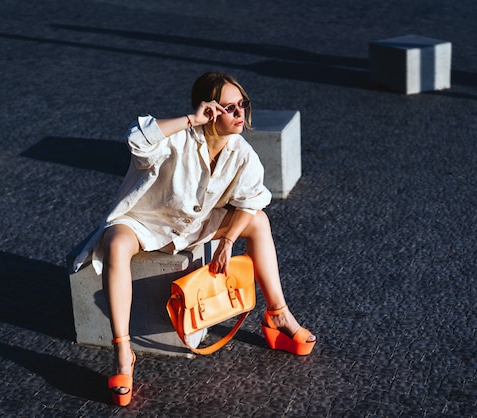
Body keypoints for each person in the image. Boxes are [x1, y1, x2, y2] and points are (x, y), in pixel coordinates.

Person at [72, 72, 316, 406]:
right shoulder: (179, 138)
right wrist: (190, 119)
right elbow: (137, 140)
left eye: (243, 104)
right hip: (145, 223)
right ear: (210, 110)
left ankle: (278, 314)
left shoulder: (241, 153)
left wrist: (229, 240)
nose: (240, 113)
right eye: (230, 107)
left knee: (259, 221)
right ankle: (123, 351)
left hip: (194, 225)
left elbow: (251, 200)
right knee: (115, 244)